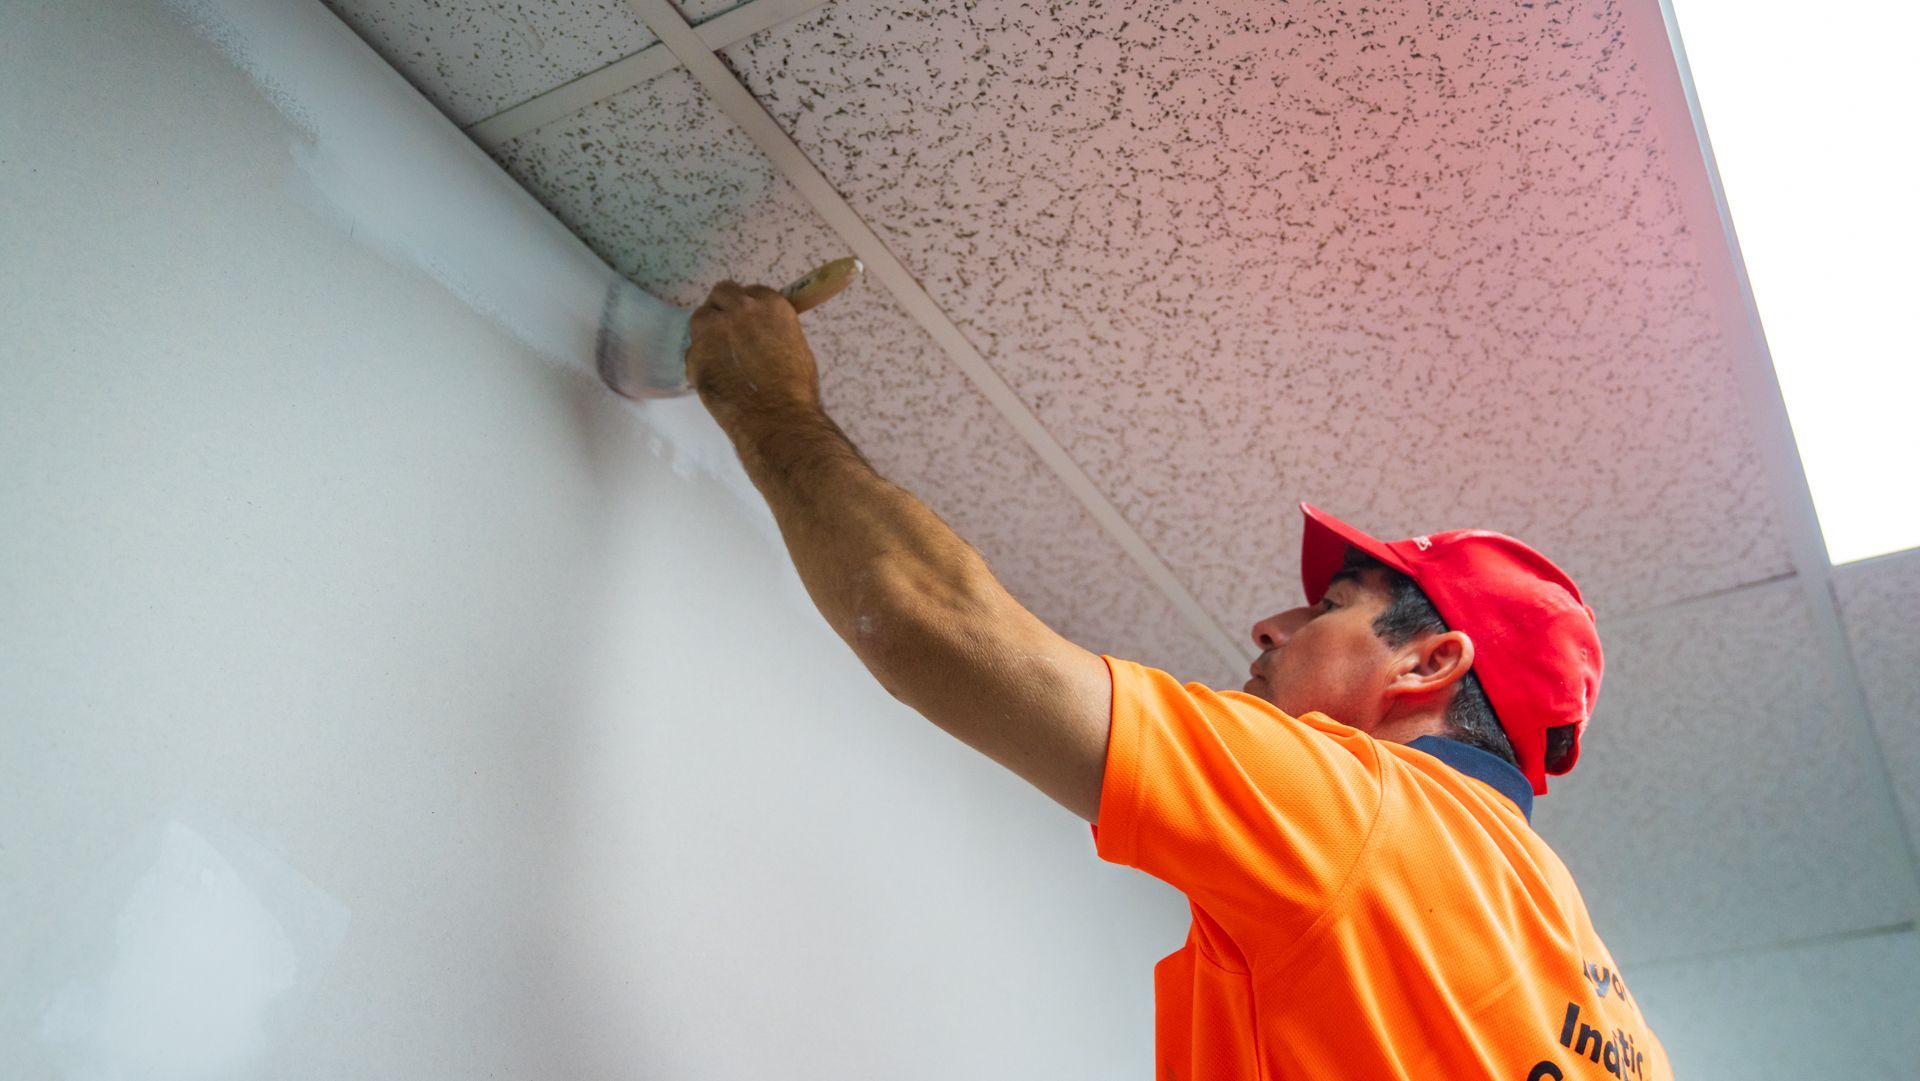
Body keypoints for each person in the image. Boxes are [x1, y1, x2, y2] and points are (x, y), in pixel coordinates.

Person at [681, 280, 1673, 1080]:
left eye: (1333, 604)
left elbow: (927, 619)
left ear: (1428, 660)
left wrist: (768, 405)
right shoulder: (1607, 1006)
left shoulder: (1367, 808)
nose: (1273, 623)